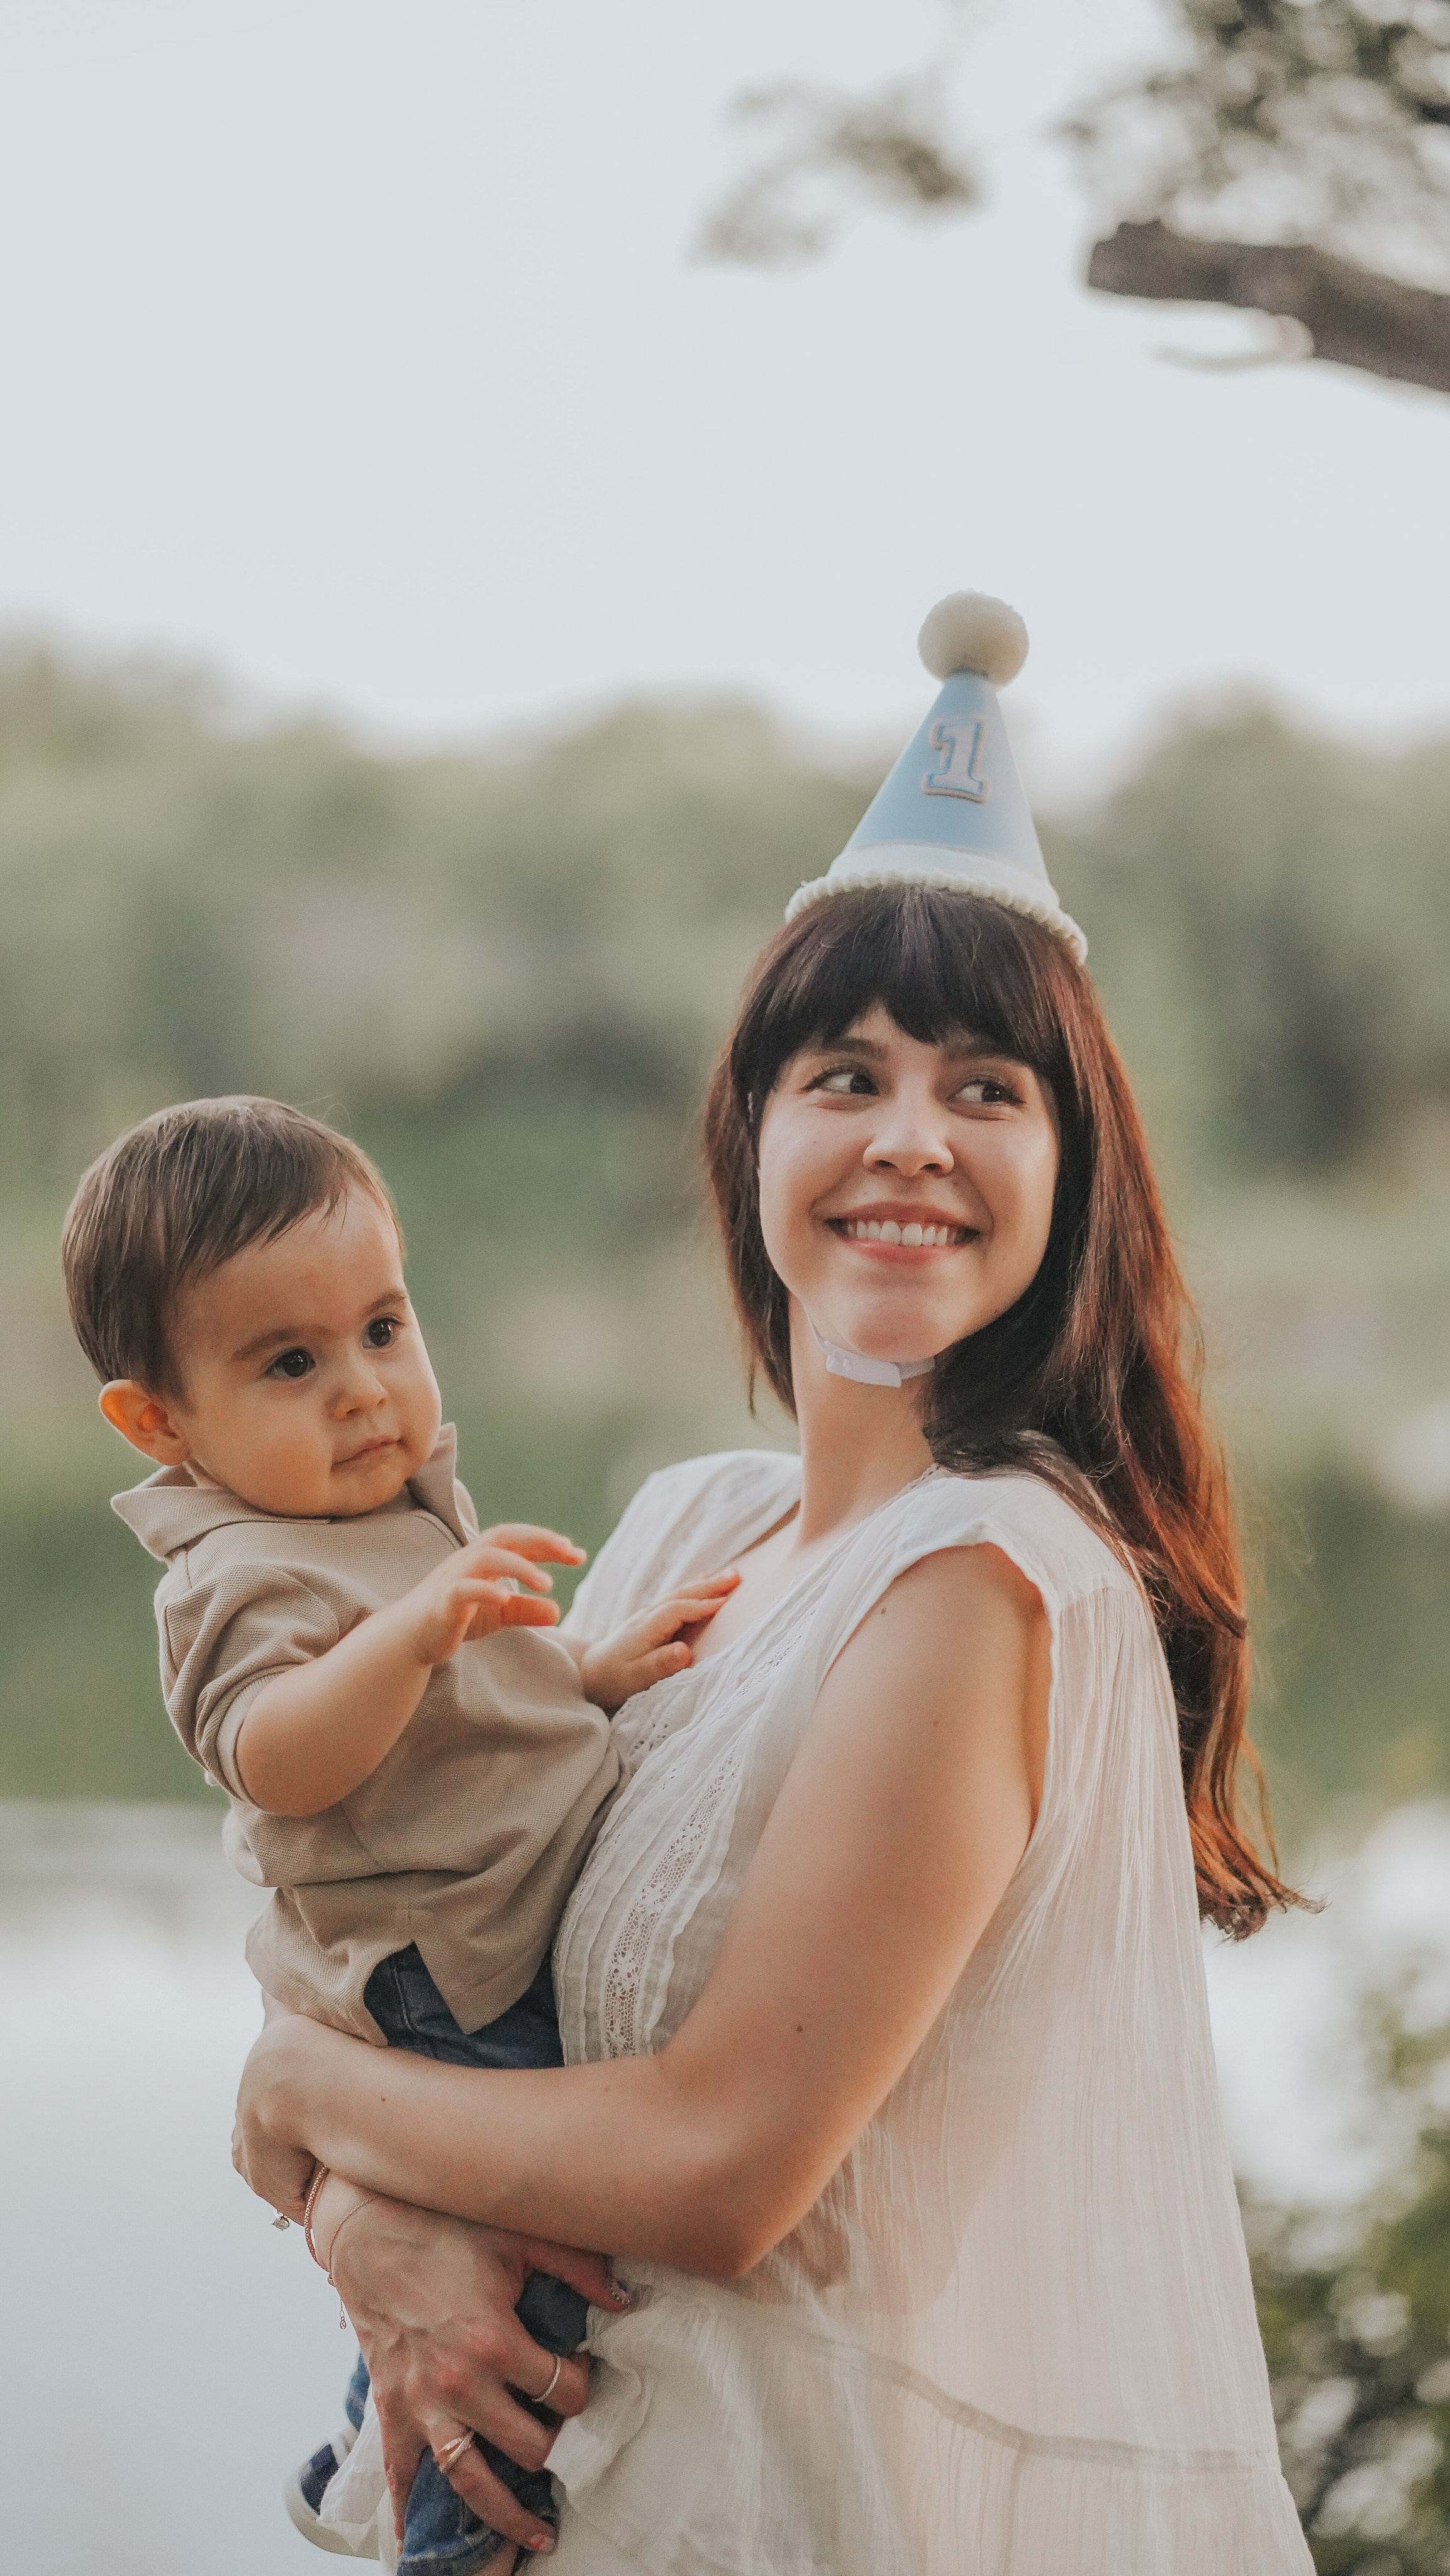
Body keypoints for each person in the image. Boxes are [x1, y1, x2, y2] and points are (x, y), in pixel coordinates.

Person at [233, 594, 1315, 2573]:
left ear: (1070, 1177)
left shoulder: (987, 1580)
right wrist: (355, 2215)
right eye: (848, 1075)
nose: (911, 1138)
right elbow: (456, 1968)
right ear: (750, 1133)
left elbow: (720, 2168)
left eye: (988, 1090)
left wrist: (297, 2089)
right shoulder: (687, 1535)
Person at [61, 1097, 735, 2576]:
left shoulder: (388, 1492)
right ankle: (455, 2542)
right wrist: (416, 1633)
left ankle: (358, 2461)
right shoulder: (234, 1572)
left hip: (490, 1939)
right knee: (509, 2291)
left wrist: (594, 1666)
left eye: (381, 1325)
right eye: (290, 1362)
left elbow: (475, 1717)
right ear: (159, 1419)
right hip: (445, 1994)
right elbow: (279, 1753)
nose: (365, 1387)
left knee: (463, 2261)